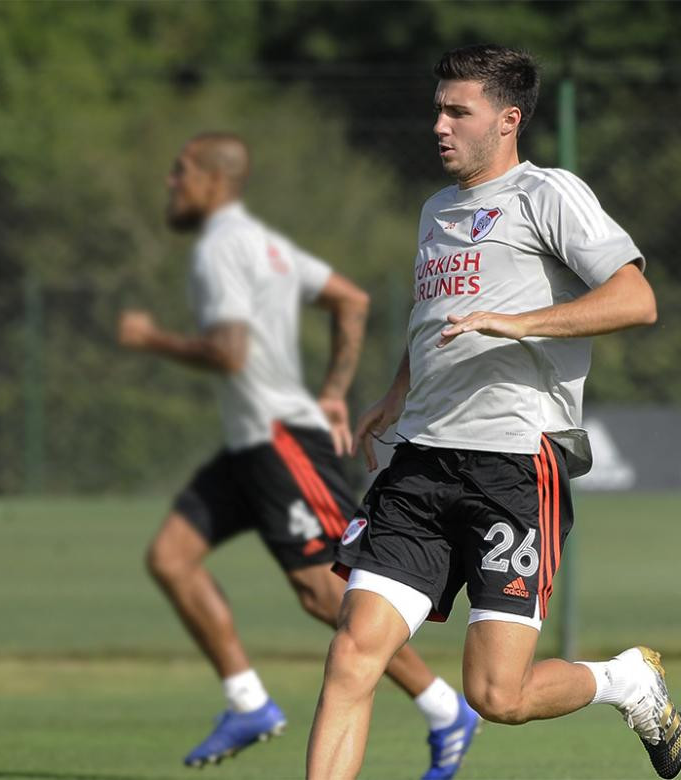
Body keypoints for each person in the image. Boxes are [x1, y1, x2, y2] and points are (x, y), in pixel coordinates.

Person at [306, 45, 681, 779]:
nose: (440, 126)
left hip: (511, 466)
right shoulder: (436, 210)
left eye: (459, 111)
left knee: (497, 695)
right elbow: (438, 318)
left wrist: (523, 322)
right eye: (437, 109)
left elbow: (636, 300)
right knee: (353, 652)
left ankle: (624, 682)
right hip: (420, 460)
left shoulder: (547, 194)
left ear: (508, 120)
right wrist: (395, 393)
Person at [117, 132, 479, 777]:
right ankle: (248, 701)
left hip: (282, 441)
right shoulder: (259, 243)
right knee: (171, 557)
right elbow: (351, 298)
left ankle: (443, 707)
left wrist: (152, 339)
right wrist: (335, 393)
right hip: (251, 444)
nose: (170, 183)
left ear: (211, 180)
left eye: (179, 171)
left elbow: (228, 353)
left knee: (332, 595)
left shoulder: (223, 249)